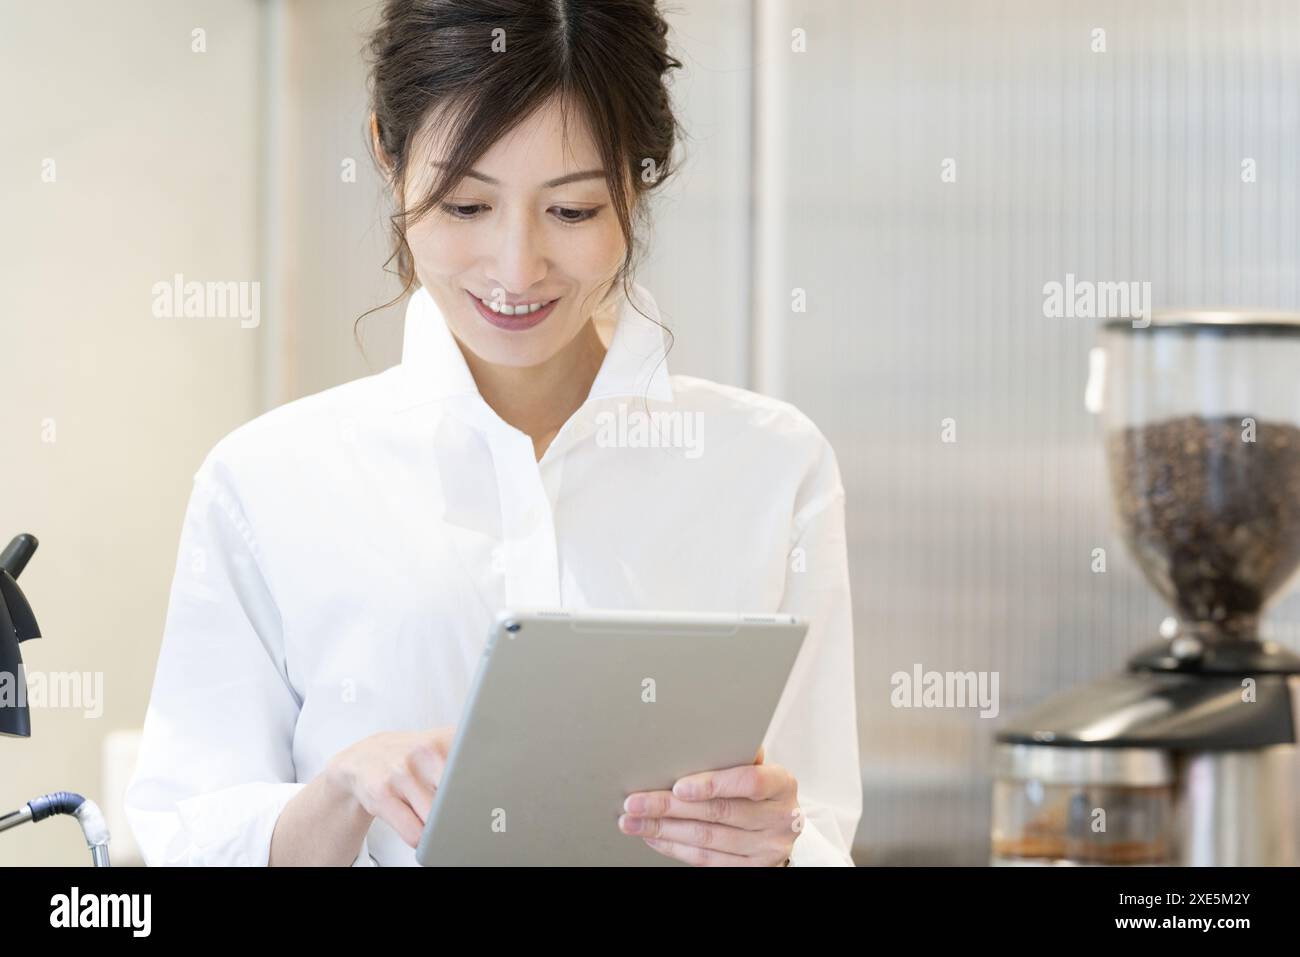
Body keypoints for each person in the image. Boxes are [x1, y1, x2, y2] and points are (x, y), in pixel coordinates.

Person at [125, 0, 861, 867]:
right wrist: (344, 788)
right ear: (386, 156)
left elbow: (816, 829)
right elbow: (185, 846)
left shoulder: (773, 470)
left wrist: (776, 848)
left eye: (574, 212)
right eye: (467, 205)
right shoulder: (265, 483)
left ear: (639, 178)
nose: (516, 269)